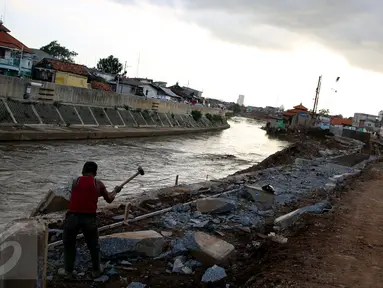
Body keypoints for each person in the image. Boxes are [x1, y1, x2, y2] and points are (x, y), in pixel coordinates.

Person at [63, 161, 121, 278]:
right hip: (89, 218)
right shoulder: (98, 183)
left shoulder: (75, 181)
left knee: (69, 245)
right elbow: (109, 199)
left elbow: (80, 195)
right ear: (95, 172)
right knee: (93, 246)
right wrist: (115, 191)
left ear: (83, 171)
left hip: (72, 217)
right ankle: (96, 271)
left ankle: (68, 272)